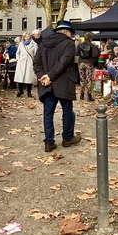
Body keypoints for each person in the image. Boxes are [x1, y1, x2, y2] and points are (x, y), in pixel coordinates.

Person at [33, 20, 82, 152]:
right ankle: (67, 138)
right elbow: (64, 62)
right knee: (68, 112)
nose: (71, 36)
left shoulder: (43, 44)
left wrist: (43, 76)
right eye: (71, 33)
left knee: (48, 114)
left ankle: (49, 142)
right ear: (67, 32)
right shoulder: (69, 44)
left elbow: (36, 62)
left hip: (47, 84)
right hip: (64, 83)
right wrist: (49, 77)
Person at [77, 32, 99, 101]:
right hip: (89, 62)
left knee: (82, 78)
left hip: (81, 62)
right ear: (90, 38)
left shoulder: (80, 45)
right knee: (89, 79)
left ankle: (81, 94)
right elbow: (95, 54)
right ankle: (89, 95)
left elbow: (76, 53)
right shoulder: (92, 45)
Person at [14, 32, 38, 97]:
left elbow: (36, 54)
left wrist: (34, 61)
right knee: (20, 78)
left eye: (28, 36)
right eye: (26, 36)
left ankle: (29, 92)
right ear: (23, 37)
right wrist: (18, 59)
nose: (27, 38)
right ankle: (20, 91)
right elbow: (17, 53)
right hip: (21, 62)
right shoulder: (21, 44)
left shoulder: (34, 44)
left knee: (29, 78)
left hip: (29, 62)